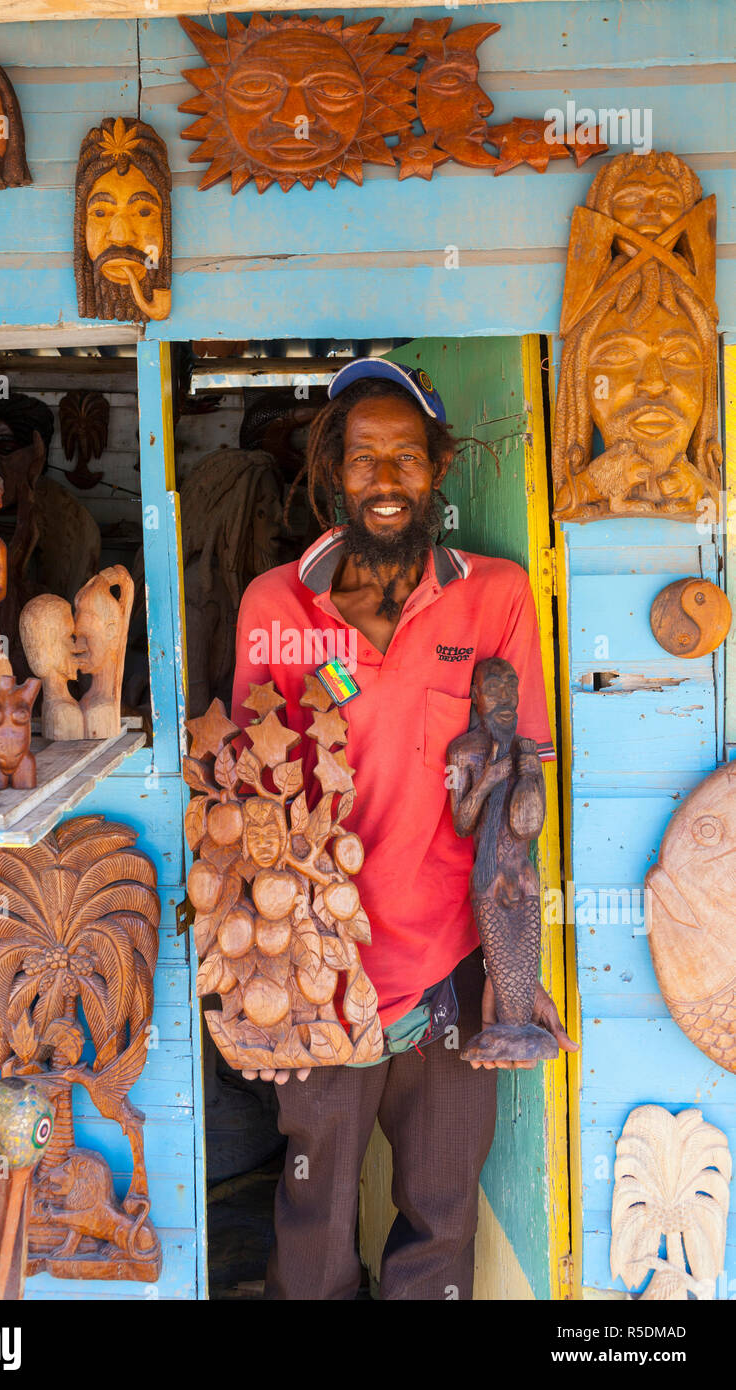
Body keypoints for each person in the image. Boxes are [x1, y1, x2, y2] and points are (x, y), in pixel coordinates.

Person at [231, 357, 577, 1300]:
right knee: (314, 1216)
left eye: (407, 460)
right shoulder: (276, 607)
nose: (385, 482)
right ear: (331, 471)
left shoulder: (493, 597)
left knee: (441, 1208)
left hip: (453, 965)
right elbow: (252, 798)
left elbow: (517, 789)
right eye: (363, 459)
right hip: (320, 968)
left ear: (439, 469)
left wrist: (515, 975)